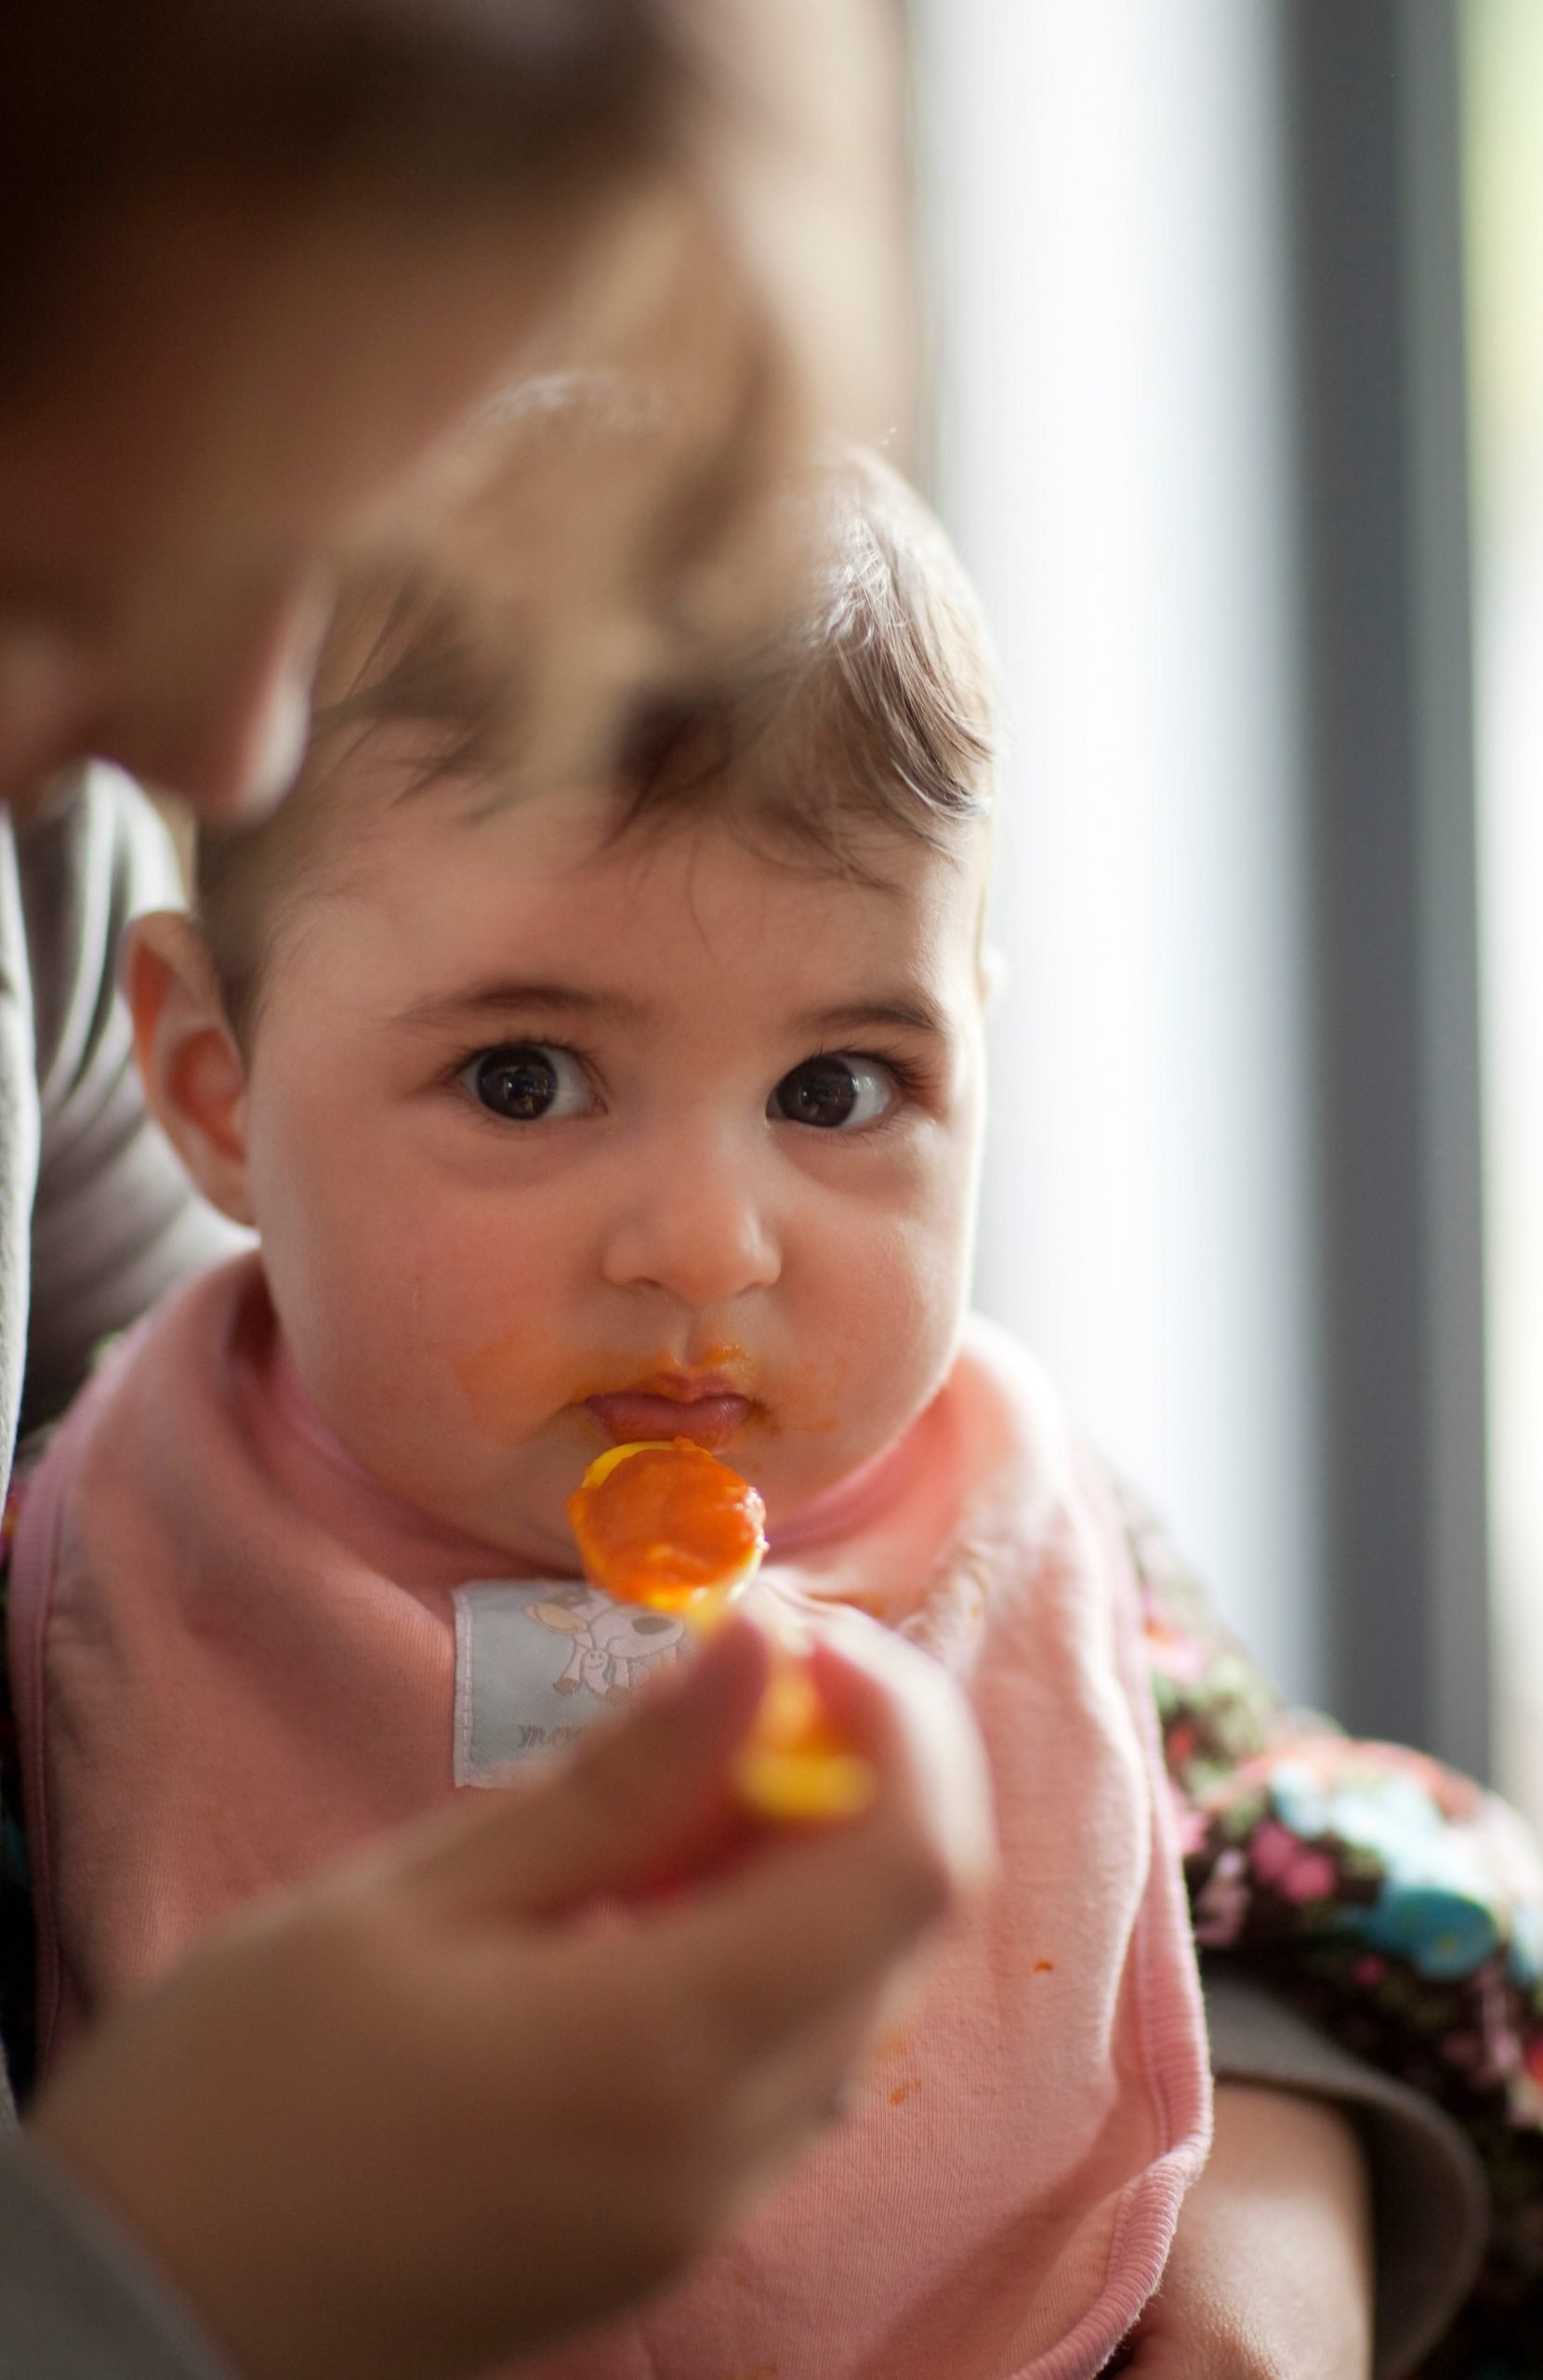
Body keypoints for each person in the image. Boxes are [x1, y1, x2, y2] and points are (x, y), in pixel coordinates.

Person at [0, 6, 997, 2378]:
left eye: (306, 530)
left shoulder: (41, 882)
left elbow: (1157, 1693)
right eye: (46, 569)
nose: (229, 736)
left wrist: (1264, 2144)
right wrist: (146, 2267)